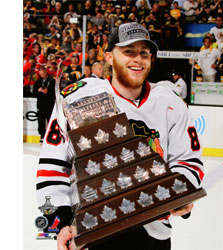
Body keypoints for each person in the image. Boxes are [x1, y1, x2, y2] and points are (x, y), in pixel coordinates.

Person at [36, 22, 204, 250]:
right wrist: (60, 222)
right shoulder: (79, 96)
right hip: (90, 230)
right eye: (128, 51)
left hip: (152, 230)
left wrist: (181, 194)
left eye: (144, 53)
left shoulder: (170, 102)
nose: (138, 59)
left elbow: (188, 161)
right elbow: (53, 165)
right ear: (108, 57)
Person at [33, 64, 55, 142]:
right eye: (41, 74)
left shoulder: (52, 81)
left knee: (50, 121)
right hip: (41, 106)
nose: (42, 75)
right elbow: (34, 93)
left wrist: (47, 92)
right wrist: (38, 90)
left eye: (43, 73)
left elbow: (55, 93)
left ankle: (51, 135)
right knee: (41, 121)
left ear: (46, 71)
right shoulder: (37, 82)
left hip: (49, 105)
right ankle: (42, 135)